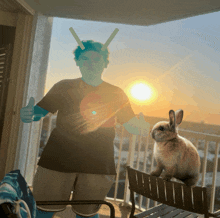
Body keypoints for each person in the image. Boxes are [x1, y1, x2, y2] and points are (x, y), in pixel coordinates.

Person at [20, 40, 150, 218]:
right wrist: (28, 114)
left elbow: (130, 125)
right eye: (85, 59)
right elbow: (38, 113)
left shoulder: (117, 93)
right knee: (42, 212)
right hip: (56, 161)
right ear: (78, 62)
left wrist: (141, 127)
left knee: (87, 215)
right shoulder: (63, 86)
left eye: (96, 59)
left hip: (97, 165)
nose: (91, 63)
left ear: (106, 63)